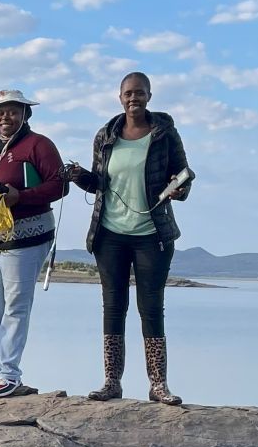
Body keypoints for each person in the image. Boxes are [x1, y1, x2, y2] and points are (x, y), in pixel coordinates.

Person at [64, 71, 193, 404]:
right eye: (128, 93)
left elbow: (184, 176)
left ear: (149, 96)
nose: (134, 98)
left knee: (151, 309)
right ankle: (111, 383)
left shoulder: (165, 134)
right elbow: (99, 184)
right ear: (120, 98)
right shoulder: (105, 136)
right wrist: (79, 176)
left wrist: (179, 190)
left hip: (153, 234)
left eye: (139, 93)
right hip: (109, 235)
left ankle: (158, 385)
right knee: (113, 307)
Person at [0, 88, 67, 398]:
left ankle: (9, 373)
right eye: (0, 111)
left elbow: (60, 185)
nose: (5, 116)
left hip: (28, 235)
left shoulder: (39, 145)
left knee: (16, 304)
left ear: (25, 114)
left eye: (13, 110)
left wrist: (21, 196)